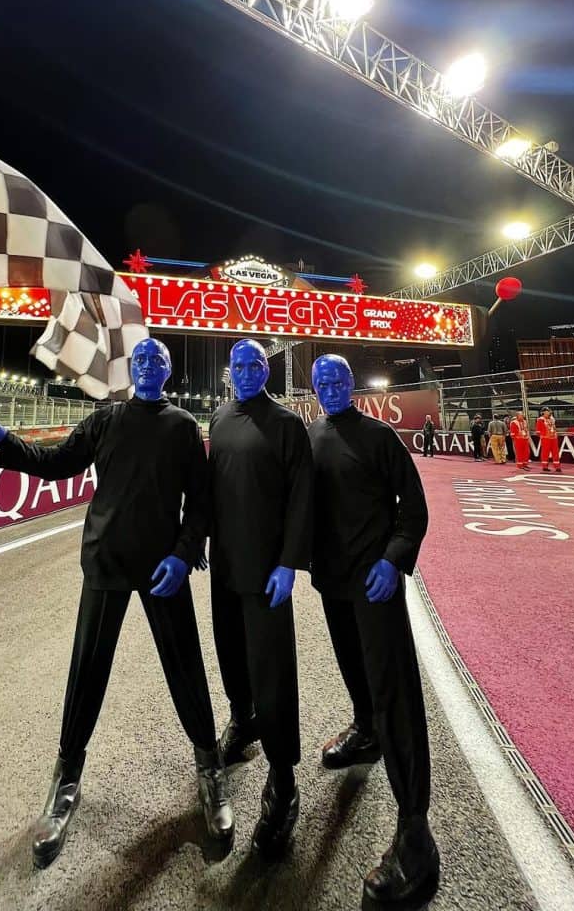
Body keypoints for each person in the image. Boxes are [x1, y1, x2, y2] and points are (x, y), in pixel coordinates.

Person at [0, 338, 234, 868]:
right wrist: (5, 439)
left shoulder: (182, 426)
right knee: (86, 673)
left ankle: (209, 770)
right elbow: (55, 463)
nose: (150, 366)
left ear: (168, 369)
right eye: (142, 360)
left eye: (159, 360)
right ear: (131, 370)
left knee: (187, 670)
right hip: (106, 564)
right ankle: (65, 782)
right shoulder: (104, 420)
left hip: (164, 570)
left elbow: (200, 501)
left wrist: (184, 554)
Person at [308, 354, 437, 903]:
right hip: (332, 583)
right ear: (314, 388)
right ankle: (365, 734)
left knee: (396, 693)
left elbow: (415, 509)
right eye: (322, 381)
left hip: (376, 583)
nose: (332, 386)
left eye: (339, 378)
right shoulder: (309, 436)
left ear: (351, 384)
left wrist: (394, 560)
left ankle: (416, 833)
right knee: (353, 668)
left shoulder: (381, 437)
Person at [208, 338, 313, 860]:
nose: (247, 371)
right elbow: (213, 488)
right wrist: (200, 542)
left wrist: (290, 563)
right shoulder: (220, 418)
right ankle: (242, 720)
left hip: (268, 571)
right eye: (238, 365)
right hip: (225, 566)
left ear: (265, 369)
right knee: (229, 652)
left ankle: (283, 779)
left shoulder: (287, 424)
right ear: (229, 372)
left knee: (273, 670)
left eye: (255, 364)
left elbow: (301, 500)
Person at [536, 407, 562, 473]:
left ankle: (557, 467)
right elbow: (538, 431)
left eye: (549, 411)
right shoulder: (540, 419)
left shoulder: (552, 419)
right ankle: (545, 466)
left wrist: (554, 433)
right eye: (547, 411)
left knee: (555, 453)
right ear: (543, 412)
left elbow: (554, 427)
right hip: (546, 439)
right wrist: (543, 436)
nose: (549, 412)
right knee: (545, 453)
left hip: (553, 438)